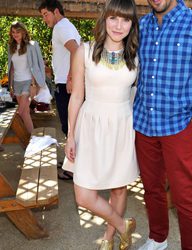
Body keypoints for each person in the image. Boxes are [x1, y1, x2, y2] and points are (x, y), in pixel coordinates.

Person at [133, 0, 192, 249]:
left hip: (179, 127)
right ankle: (157, 238)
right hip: (144, 124)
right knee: (151, 189)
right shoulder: (141, 26)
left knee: (184, 196)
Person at [62, 0, 139, 249]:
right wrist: (71, 135)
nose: (119, 25)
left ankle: (108, 239)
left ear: (132, 24)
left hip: (122, 125)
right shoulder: (83, 50)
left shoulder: (137, 55)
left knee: (118, 188)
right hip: (91, 123)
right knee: (84, 195)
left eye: (125, 19)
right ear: (104, 19)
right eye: (113, 18)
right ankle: (122, 224)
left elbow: (137, 93)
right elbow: (76, 96)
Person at [39, 0, 81, 180]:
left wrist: (71, 77)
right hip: (67, 82)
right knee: (72, 126)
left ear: (56, 11)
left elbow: (76, 50)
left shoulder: (61, 27)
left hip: (66, 83)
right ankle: (71, 162)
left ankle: (74, 169)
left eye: (45, 14)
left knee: (69, 126)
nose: (44, 19)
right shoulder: (67, 26)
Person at [8, 21, 47, 133]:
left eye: (18, 32)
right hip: (16, 83)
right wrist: (10, 86)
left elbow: (34, 66)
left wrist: (33, 85)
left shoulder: (31, 46)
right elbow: (11, 68)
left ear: (24, 32)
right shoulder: (11, 47)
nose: (15, 34)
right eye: (13, 32)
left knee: (20, 112)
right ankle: (32, 138)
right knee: (25, 113)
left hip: (28, 82)